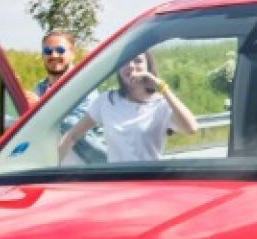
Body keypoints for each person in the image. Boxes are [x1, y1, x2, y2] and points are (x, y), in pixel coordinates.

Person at [0, 30, 103, 162]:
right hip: (51, 168)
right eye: (48, 51)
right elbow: (31, 125)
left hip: (87, 168)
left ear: (73, 54)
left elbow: (74, 127)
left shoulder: (84, 86)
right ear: (43, 55)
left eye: (60, 50)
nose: (54, 55)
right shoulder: (41, 87)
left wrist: (42, 107)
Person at [57, 52, 199, 163]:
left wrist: (160, 86)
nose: (130, 66)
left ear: (148, 66)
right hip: (118, 182)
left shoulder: (161, 104)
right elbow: (72, 135)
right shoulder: (107, 101)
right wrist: (49, 170)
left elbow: (191, 128)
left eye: (138, 61)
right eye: (125, 61)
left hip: (150, 181)